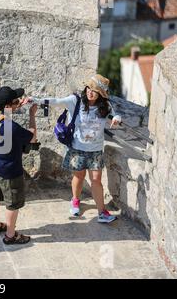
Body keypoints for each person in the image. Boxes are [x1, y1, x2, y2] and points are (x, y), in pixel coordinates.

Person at [31, 74, 121, 223]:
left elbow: (115, 114)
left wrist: (117, 118)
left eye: (95, 91)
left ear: (101, 95)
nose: (90, 92)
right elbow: (56, 101)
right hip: (77, 148)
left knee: (96, 180)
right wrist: (36, 100)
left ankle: (102, 212)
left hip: (96, 150)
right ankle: (75, 200)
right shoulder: (75, 101)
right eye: (89, 88)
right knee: (79, 177)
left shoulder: (105, 106)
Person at [0, 86, 38, 245]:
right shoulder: (13, 128)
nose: (18, 103)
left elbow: (3, 116)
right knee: (12, 204)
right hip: (10, 172)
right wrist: (31, 115)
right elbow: (33, 138)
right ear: (8, 106)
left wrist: (16, 105)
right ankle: (10, 235)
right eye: (15, 102)